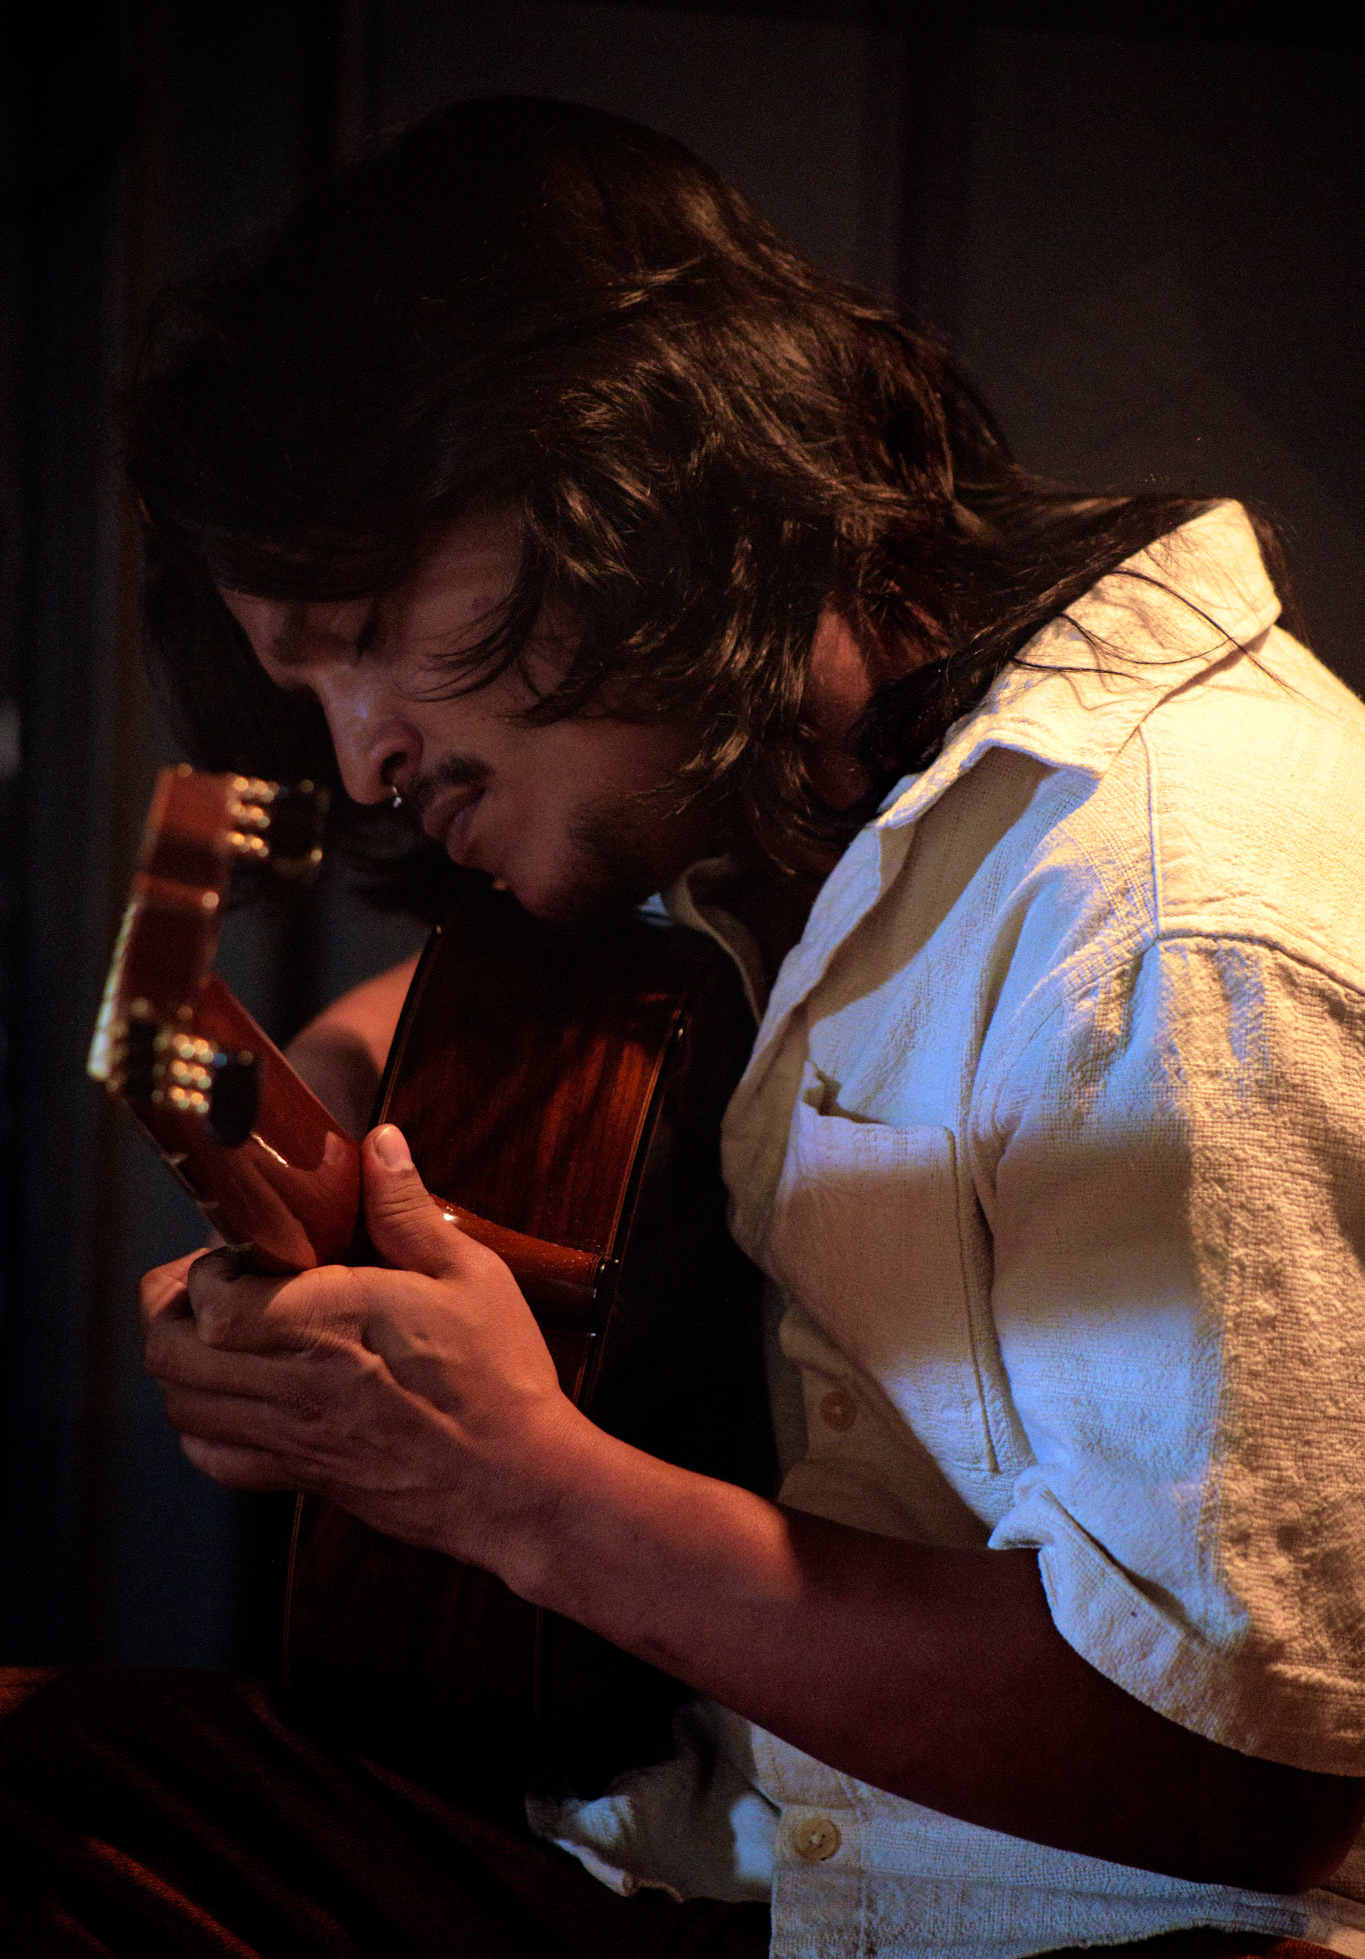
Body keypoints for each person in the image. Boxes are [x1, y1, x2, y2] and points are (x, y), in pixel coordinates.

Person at [3, 96, 1365, 1959]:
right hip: (705, 1861)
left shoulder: (1170, 917)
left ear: (619, 472)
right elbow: (666, 1003)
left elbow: (1244, 1772)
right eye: (306, 688)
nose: (363, 759)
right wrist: (329, 1137)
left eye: (367, 629)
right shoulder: (827, 802)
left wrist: (512, 1488)